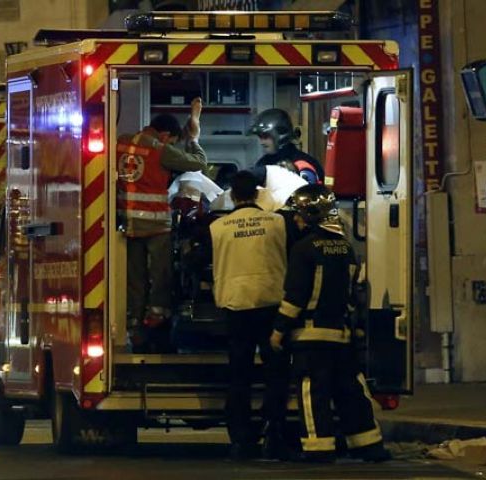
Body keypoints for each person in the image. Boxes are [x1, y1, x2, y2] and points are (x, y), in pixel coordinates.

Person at [270, 184, 391, 463]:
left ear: (311, 214)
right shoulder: (345, 247)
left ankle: (319, 449)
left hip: (311, 337)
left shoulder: (303, 249)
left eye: (299, 214)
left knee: (313, 392)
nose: (296, 220)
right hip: (341, 333)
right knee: (350, 390)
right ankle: (368, 446)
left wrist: (278, 330)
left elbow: (296, 296)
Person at [209, 170, 290, 460]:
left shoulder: (218, 227)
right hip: (271, 303)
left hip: (236, 305)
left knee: (239, 374)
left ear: (231, 195)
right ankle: (274, 431)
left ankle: (241, 439)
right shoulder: (278, 222)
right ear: (257, 194)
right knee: (276, 372)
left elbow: (202, 261)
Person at [117, 97, 207, 353]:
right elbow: (198, 163)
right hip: (156, 227)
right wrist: (194, 138)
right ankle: (156, 321)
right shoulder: (160, 149)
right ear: (166, 135)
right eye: (173, 141)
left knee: (134, 279)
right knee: (160, 277)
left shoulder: (121, 142)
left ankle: (134, 327)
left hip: (128, 225)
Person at [248, 108, 324, 185]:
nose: (262, 142)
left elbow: (308, 195)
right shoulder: (263, 162)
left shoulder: (303, 164)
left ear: (281, 134)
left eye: (265, 136)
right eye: (260, 137)